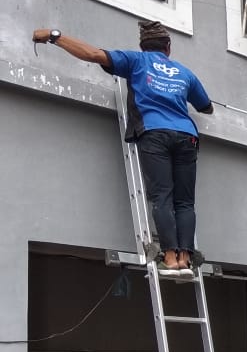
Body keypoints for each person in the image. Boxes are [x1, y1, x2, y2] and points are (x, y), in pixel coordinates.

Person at [31, 21, 213, 279]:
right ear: (168, 48)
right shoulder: (185, 73)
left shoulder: (135, 60)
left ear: (143, 46)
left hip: (154, 132)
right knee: (184, 202)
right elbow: (206, 106)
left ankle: (171, 259)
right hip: (187, 136)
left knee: (162, 196)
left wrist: (55, 36)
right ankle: (186, 258)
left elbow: (93, 54)